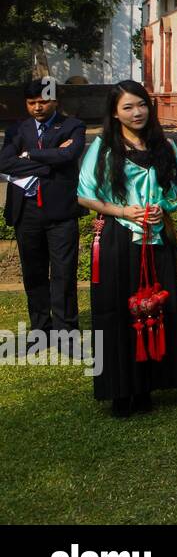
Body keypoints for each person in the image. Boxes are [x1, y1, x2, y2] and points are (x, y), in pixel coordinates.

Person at [76, 81, 177, 416]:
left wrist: (163, 207)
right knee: (117, 310)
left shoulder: (165, 146)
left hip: (156, 238)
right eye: (128, 107)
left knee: (156, 307)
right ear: (115, 112)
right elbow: (85, 194)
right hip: (119, 238)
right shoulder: (102, 147)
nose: (137, 112)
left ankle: (147, 386)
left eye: (141, 104)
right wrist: (122, 211)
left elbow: (176, 191)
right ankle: (120, 390)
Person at [0, 79, 86, 352]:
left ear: (55, 101)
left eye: (43, 101)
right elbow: (3, 163)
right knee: (34, 275)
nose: (37, 107)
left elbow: (70, 154)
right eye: (31, 102)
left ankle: (66, 334)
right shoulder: (17, 129)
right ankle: (41, 332)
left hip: (60, 213)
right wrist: (48, 161)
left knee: (63, 274)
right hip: (26, 212)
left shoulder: (72, 126)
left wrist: (29, 156)